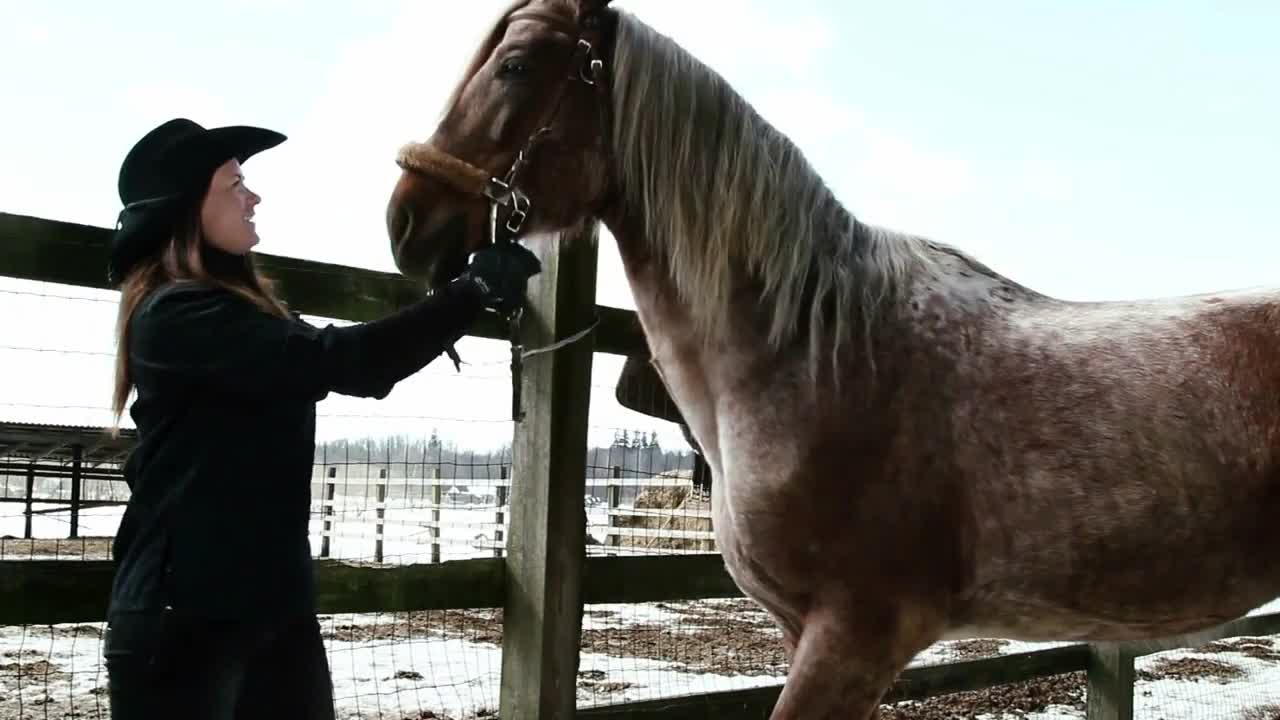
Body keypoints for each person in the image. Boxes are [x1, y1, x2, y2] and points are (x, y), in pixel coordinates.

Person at [99, 117, 541, 719]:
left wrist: (462, 295)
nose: (253, 197)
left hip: (270, 609)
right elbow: (350, 362)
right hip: (186, 618)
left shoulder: (245, 315)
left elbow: (354, 361)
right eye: (234, 185)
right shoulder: (177, 316)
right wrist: (469, 293)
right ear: (185, 209)